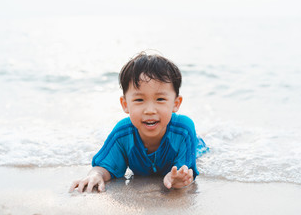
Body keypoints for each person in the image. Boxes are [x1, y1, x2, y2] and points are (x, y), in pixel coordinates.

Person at [70, 51, 207, 193]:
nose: (149, 110)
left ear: (176, 104)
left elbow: (186, 172)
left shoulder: (183, 130)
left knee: (201, 151)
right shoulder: (123, 134)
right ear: (125, 104)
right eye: (139, 100)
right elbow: (105, 166)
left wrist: (178, 179)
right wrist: (96, 175)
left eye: (160, 99)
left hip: (195, 147)